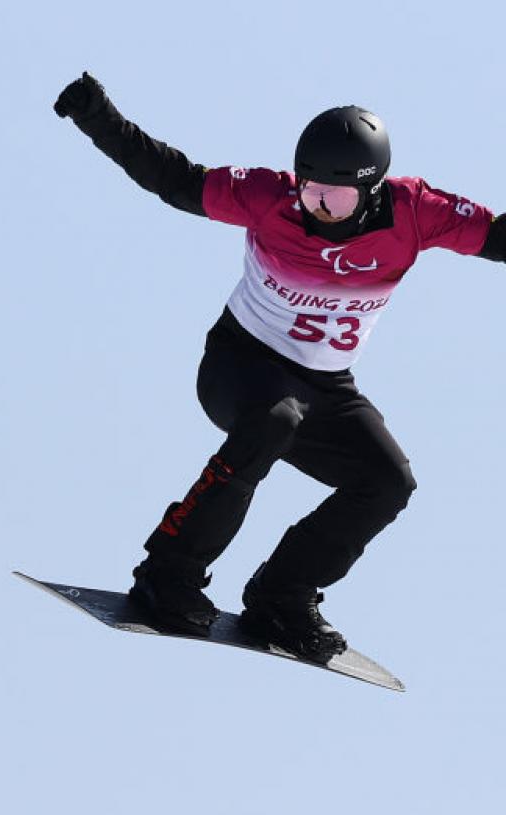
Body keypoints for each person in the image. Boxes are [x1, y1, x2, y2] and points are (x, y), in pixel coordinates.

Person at [53, 73, 505, 661]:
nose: (319, 208)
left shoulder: (416, 212)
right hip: (241, 366)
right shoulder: (270, 199)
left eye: (336, 199)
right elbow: (174, 180)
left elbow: (497, 237)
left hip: (327, 386)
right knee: (274, 419)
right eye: (311, 190)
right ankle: (168, 572)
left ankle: (281, 597)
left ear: (371, 190)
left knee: (388, 482)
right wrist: (98, 116)